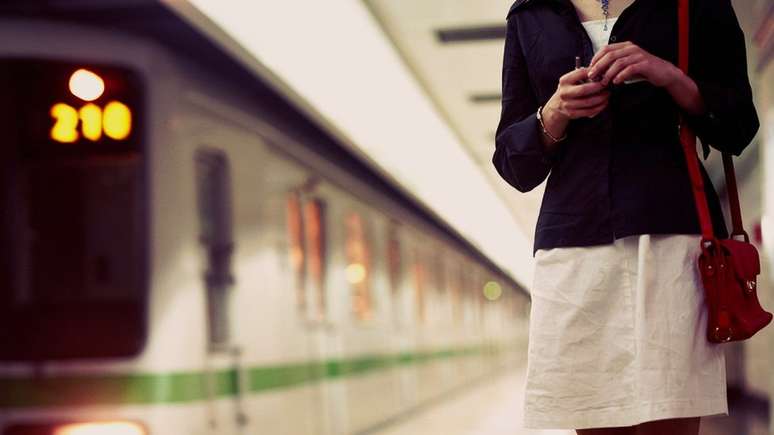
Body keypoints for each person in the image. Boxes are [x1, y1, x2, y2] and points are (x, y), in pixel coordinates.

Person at [491, 0, 759, 434]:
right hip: (575, 249)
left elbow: (738, 124)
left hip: (671, 238)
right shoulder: (530, 12)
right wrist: (556, 111)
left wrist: (667, 75)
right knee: (595, 421)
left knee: (669, 424)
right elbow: (513, 163)